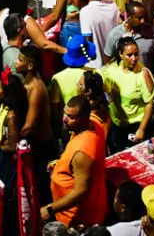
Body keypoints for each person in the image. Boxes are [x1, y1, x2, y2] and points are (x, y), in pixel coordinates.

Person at [43, 95, 108, 228]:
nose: (65, 119)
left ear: (84, 118)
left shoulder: (82, 152)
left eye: (71, 117)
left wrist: (50, 209)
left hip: (78, 218)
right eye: (65, 113)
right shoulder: (92, 123)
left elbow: (80, 191)